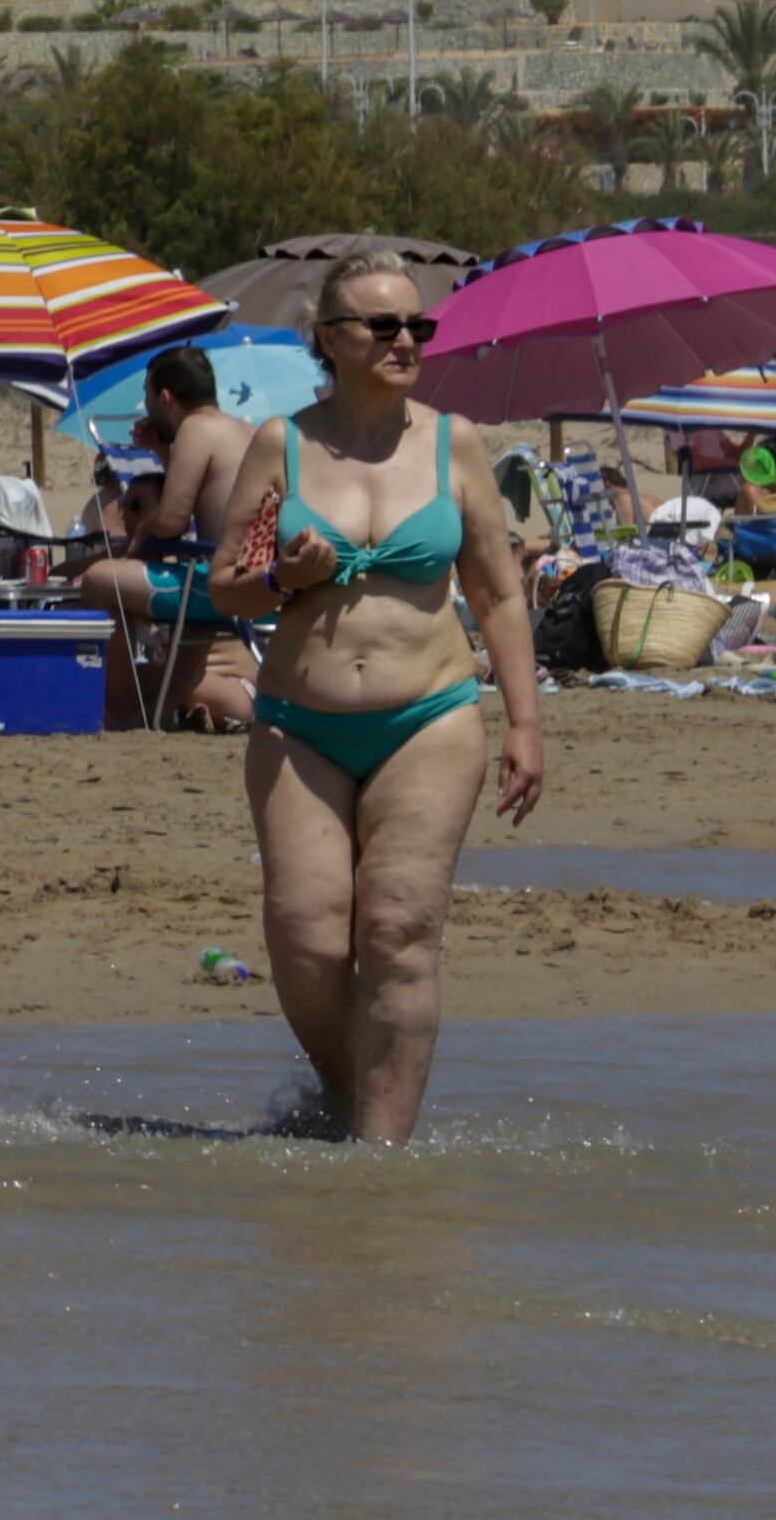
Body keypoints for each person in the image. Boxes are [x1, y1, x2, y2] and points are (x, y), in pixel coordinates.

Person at [195, 251, 545, 1141]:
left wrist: (526, 724)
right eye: (382, 326)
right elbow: (228, 587)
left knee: (395, 926)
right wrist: (282, 575)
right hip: (298, 728)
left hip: (429, 717)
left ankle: (378, 1159)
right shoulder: (282, 443)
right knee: (309, 940)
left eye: (416, 327)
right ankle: (353, 1095)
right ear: (330, 339)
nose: (405, 340)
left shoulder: (452, 442)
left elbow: (500, 594)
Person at [76, 345, 259, 731]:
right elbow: (208, 498)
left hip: (217, 585)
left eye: (146, 396)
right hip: (259, 582)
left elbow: (173, 520)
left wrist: (142, 535)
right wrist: (163, 451)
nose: (145, 407)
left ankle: (124, 711)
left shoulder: (196, 428)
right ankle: (152, 707)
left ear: (165, 397)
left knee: (98, 580)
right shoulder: (245, 429)